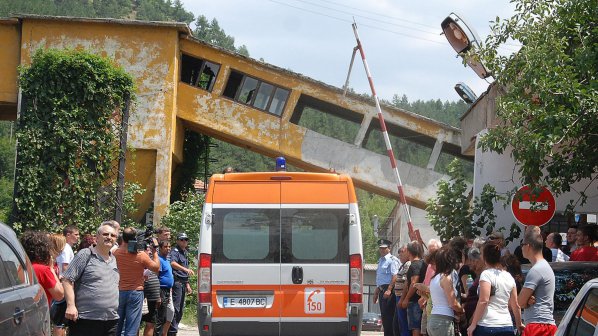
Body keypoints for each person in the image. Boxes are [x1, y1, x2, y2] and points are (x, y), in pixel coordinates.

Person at [63, 222, 120, 336]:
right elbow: (67, 279)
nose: (109, 237)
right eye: (105, 234)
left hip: (110, 320)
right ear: (97, 237)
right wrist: (70, 305)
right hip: (86, 320)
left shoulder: (113, 259)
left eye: (113, 235)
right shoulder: (85, 254)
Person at [467, 241, 524, 336]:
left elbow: (483, 300)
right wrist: (519, 324)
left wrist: (473, 324)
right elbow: (515, 304)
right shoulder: (508, 276)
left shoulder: (486, 274)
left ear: (484, 257)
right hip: (506, 326)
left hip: (488, 325)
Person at [113, 227, 160, 336]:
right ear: (135, 239)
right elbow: (156, 268)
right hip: (135, 291)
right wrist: (154, 252)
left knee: (117, 325)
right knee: (132, 326)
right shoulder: (141, 255)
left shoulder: (116, 253)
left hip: (119, 291)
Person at [518, 228, 557, 336]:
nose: (521, 247)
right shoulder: (543, 266)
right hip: (544, 325)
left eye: (522, 244)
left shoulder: (536, 270)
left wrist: (525, 302)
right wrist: (526, 300)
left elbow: (520, 302)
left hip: (538, 326)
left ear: (528, 246)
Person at [427, 247, 463, 336]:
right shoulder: (445, 278)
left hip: (433, 319)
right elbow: (453, 303)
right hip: (443, 321)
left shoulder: (434, 278)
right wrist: (462, 310)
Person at [21, 231, 64, 305]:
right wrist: (51, 269)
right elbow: (59, 295)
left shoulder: (21, 267)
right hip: (40, 313)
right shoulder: (43, 270)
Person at [169, 232, 195, 335]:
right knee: (176, 308)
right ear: (177, 241)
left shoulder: (185, 252)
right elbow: (173, 263)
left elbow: (186, 270)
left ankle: (174, 329)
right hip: (177, 283)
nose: (184, 241)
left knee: (180, 309)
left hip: (183, 283)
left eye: (186, 239)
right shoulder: (175, 251)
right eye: (182, 239)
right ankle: (172, 332)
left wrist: (188, 284)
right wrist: (185, 269)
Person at [399, 240, 427, 336]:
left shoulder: (414, 265)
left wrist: (406, 299)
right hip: (422, 300)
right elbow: (408, 283)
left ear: (409, 252)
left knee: (416, 328)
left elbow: (413, 283)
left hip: (415, 301)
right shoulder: (423, 263)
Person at [373, 238, 399, 336]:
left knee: (389, 318)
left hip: (389, 291)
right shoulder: (381, 261)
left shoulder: (392, 260)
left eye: (384, 248)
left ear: (389, 248)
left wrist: (389, 289)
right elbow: (380, 278)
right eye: (380, 248)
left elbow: (395, 276)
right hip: (381, 290)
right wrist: (376, 292)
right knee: (384, 318)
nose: (382, 250)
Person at [156, 240, 175, 336]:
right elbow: (156, 277)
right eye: (165, 247)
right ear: (160, 248)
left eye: (169, 247)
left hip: (167, 291)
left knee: (167, 314)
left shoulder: (166, 260)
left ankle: (164, 333)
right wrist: (158, 295)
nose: (168, 249)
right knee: (160, 317)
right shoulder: (159, 260)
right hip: (161, 291)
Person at [395, 245, 411, 336]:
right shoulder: (403, 265)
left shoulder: (408, 264)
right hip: (399, 295)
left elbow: (406, 282)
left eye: (402, 254)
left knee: (404, 322)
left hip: (402, 296)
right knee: (400, 322)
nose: (400, 257)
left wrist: (403, 298)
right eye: (399, 255)